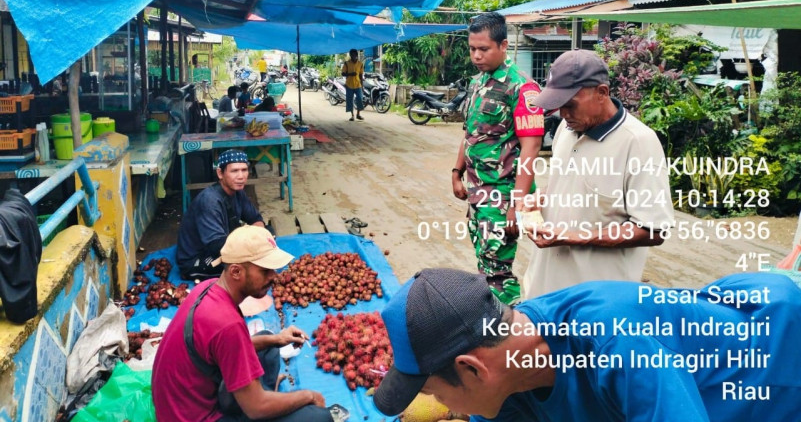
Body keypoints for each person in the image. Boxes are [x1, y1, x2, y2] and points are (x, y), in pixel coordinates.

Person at [374, 267, 801, 422]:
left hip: (774, 366)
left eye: (432, 392)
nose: (449, 409)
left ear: (471, 368)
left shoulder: (616, 344)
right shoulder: (506, 375)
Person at [521, 49, 673, 299]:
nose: (564, 114)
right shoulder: (567, 129)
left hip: (596, 302)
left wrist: (576, 237)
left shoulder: (638, 142)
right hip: (544, 289)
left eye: (570, 105)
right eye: (559, 107)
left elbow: (653, 230)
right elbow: (571, 185)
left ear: (602, 93)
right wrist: (541, 198)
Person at [153, 226, 333, 422]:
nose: (273, 276)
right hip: (199, 417)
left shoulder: (208, 287)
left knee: (268, 343)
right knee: (318, 417)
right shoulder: (226, 324)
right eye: (265, 271)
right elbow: (256, 408)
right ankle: (263, 399)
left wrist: (277, 339)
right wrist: (309, 396)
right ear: (236, 271)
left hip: (181, 404)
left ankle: (262, 395)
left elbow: (228, 348)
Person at [451, 11, 544, 305]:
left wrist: (517, 206)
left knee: (499, 273)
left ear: (503, 46)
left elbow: (531, 149)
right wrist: (456, 171)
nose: (476, 55)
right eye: (472, 49)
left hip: (502, 196)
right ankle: (492, 320)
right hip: (478, 192)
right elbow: (470, 133)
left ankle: (508, 331)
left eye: (484, 49)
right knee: (484, 263)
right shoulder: (479, 82)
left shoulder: (523, 88)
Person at [177, 150, 268, 280]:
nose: (241, 176)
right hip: (200, 256)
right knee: (247, 270)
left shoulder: (237, 191)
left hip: (224, 243)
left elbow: (255, 219)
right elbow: (217, 247)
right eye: (234, 171)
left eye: (244, 170)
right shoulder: (210, 201)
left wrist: (261, 236)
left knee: (268, 232)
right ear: (220, 173)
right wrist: (254, 245)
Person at [341, 49, 364, 121]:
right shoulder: (346, 63)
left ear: (356, 55)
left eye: (355, 55)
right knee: (349, 100)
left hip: (358, 84)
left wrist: (362, 85)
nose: (353, 56)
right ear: (350, 56)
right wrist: (350, 74)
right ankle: (352, 115)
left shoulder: (360, 64)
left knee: (360, 99)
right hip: (349, 85)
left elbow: (361, 75)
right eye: (352, 55)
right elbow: (343, 73)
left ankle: (358, 114)